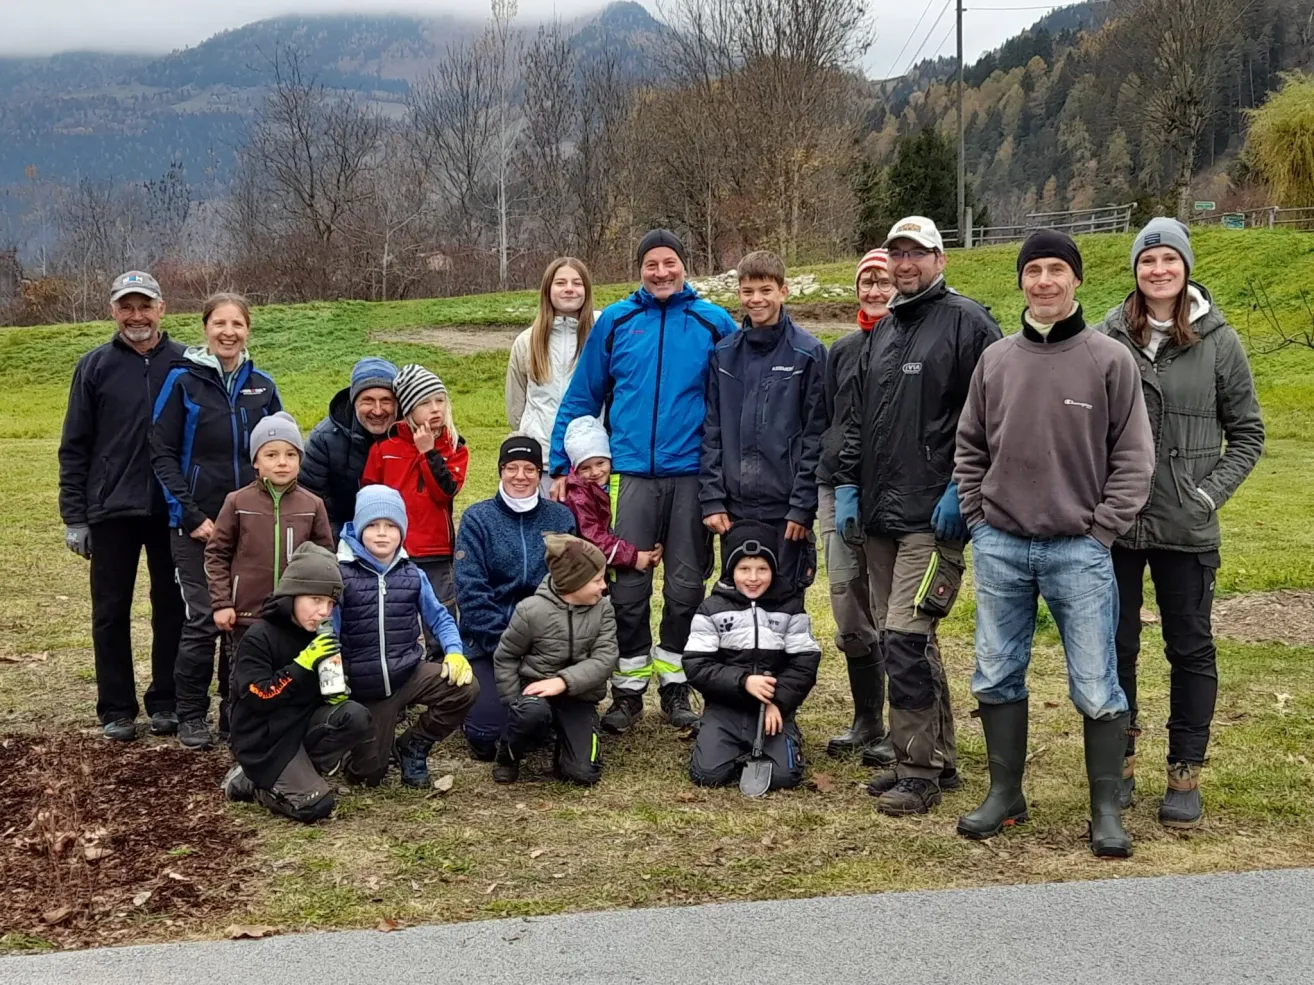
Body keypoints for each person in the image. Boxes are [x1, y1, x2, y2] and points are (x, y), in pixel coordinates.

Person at [953, 231, 1154, 858]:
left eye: (1056, 270)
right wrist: (978, 519)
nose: (1044, 281)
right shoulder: (997, 361)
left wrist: (1102, 529)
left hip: (1080, 549)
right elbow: (969, 448)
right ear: (1020, 281)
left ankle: (1103, 810)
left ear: (1077, 280)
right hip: (1001, 544)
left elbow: (1134, 457)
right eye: (1033, 270)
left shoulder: (1108, 360)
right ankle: (1005, 794)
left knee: (1097, 682)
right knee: (995, 671)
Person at [1098, 219, 1265, 829]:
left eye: (1169, 259)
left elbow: (1247, 433)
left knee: (1190, 648)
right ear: (1136, 271)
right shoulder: (1108, 335)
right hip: (1116, 525)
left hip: (1185, 525)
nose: (1158, 270)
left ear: (1186, 267)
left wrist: (1206, 495)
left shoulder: (1219, 341)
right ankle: (1119, 765)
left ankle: (1184, 772)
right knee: (1115, 649)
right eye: (1148, 261)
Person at [833, 216, 1002, 816]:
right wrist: (849, 486)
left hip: (934, 513)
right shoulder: (883, 330)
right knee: (908, 638)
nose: (905, 264)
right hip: (880, 512)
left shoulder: (969, 324)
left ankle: (917, 770)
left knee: (906, 636)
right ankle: (938, 756)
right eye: (897, 253)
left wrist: (964, 488)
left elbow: (990, 418)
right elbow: (856, 422)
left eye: (917, 253)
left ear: (940, 259)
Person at [548, 228, 738, 734]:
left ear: (684, 265)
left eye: (669, 263)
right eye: (651, 264)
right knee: (628, 588)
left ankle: (675, 685)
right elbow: (582, 396)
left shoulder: (712, 321)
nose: (660, 272)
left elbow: (733, 403)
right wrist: (558, 464)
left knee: (684, 588)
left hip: (692, 475)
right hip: (631, 475)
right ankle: (628, 689)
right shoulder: (616, 321)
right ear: (640, 269)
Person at [58, 271, 187, 742]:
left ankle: (167, 701)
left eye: (145, 306)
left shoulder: (186, 363)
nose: (137, 316)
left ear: (161, 308)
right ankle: (116, 707)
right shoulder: (94, 367)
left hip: (170, 511)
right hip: (110, 510)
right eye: (126, 307)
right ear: (113, 311)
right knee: (110, 612)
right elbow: (75, 446)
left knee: (171, 607)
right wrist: (74, 516)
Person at [150, 292, 281, 750]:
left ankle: (234, 709)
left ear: (248, 330)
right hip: (195, 525)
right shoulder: (182, 381)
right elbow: (161, 452)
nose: (228, 332)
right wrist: (191, 514)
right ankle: (190, 714)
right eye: (219, 323)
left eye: (237, 324)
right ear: (205, 328)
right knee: (205, 618)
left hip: (248, 522)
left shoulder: (261, 385)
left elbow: (275, 451)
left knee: (242, 619)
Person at [334, 486, 478, 788]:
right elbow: (328, 630)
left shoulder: (412, 574)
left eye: (391, 526)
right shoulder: (341, 575)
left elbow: (440, 617)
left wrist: (454, 651)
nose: (382, 533)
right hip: (365, 685)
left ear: (402, 531)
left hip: (408, 672)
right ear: (359, 528)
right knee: (368, 775)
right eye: (373, 525)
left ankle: (414, 744)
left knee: (465, 688)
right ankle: (353, 749)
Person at [700, 249, 826, 595]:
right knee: (740, 597)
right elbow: (712, 430)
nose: (756, 300)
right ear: (739, 294)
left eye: (766, 290)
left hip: (785, 512)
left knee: (784, 598)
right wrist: (712, 499)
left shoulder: (808, 353)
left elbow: (816, 435)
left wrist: (802, 506)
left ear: (783, 291)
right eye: (748, 291)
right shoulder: (724, 354)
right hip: (734, 511)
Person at [221, 542, 372, 823]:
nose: (323, 612)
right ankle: (253, 782)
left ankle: (301, 771)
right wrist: (302, 665)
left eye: (330, 604)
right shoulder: (259, 636)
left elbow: (325, 695)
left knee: (354, 715)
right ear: (292, 594)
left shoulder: (318, 636)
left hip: (301, 727)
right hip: (265, 739)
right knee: (316, 806)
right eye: (315, 600)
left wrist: (336, 687)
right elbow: (258, 696)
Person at [816, 249, 896, 768]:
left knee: (894, 611)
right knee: (848, 608)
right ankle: (867, 717)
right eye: (866, 281)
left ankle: (907, 724)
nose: (874, 290)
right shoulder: (840, 350)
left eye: (882, 280)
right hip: (835, 490)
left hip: (889, 492)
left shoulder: (913, 345)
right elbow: (826, 422)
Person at [455, 436, 577, 760]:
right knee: (485, 737)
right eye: (512, 468)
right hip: (489, 643)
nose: (520, 476)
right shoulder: (477, 519)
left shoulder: (561, 519)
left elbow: (568, 585)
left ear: (540, 473)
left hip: (544, 644)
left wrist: (544, 646)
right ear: (500, 470)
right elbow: (470, 591)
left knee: (541, 728)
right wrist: (504, 646)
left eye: (529, 469)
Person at [684, 521, 821, 791]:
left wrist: (778, 702)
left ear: (774, 570)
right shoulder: (711, 609)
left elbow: (805, 664)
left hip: (771, 710)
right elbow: (696, 665)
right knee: (707, 775)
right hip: (725, 707)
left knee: (785, 778)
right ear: (731, 570)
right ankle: (712, 733)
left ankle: (787, 734)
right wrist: (743, 681)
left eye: (762, 569)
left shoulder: (791, 608)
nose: (753, 578)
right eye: (744, 569)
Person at [204, 411, 334, 661]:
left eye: (291, 454)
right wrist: (222, 603)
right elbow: (216, 555)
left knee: (291, 676)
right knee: (246, 675)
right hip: (246, 615)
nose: (282, 462)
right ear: (256, 460)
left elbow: (324, 561)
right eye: (271, 455)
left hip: (295, 616)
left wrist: (319, 606)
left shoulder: (313, 505)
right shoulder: (237, 502)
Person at [492, 533, 619, 786]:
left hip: (580, 696)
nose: (604, 586)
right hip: (536, 695)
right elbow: (506, 656)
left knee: (582, 774)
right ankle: (508, 754)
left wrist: (563, 682)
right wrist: (513, 703)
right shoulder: (530, 611)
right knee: (530, 714)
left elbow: (606, 658)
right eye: (596, 580)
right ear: (573, 584)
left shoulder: (603, 609)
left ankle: (568, 746)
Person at [362, 364, 468, 617]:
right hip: (394, 548)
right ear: (409, 410)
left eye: (440, 400)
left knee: (440, 613)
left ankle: (444, 656)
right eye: (425, 403)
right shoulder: (384, 449)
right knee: (397, 615)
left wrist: (428, 453)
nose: (435, 408)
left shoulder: (455, 448)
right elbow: (369, 498)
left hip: (435, 549)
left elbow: (445, 492)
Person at [506, 258, 596, 495]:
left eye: (577, 283)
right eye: (560, 282)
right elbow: (516, 407)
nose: (569, 288)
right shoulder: (526, 341)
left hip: (589, 463)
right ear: (548, 290)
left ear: (586, 290)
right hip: (542, 462)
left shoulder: (600, 338)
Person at [300, 357, 399, 538]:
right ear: (353, 402)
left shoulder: (414, 437)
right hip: (343, 536)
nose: (377, 410)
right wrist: (351, 543)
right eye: (367, 400)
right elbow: (311, 504)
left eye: (386, 400)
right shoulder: (323, 440)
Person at [561, 415, 662, 572]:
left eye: (600, 463)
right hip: (586, 569)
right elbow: (592, 537)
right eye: (585, 468)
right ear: (575, 469)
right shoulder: (578, 494)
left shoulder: (620, 482)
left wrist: (655, 543)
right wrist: (633, 557)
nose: (595, 472)